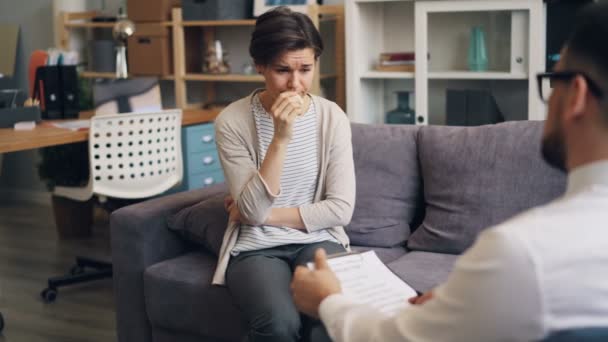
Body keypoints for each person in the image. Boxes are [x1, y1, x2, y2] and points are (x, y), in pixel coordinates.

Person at [291, 2, 608, 341]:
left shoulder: (521, 253)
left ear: (576, 94)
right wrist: (467, 303)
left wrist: (328, 299)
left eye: (553, 79)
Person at [212, 6, 356, 342]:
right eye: (282, 70)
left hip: (320, 239)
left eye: (306, 69)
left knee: (330, 318)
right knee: (279, 324)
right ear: (259, 65)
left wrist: (259, 215)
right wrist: (280, 137)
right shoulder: (232, 122)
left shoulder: (332, 118)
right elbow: (250, 213)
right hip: (255, 249)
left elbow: (340, 210)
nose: (296, 83)